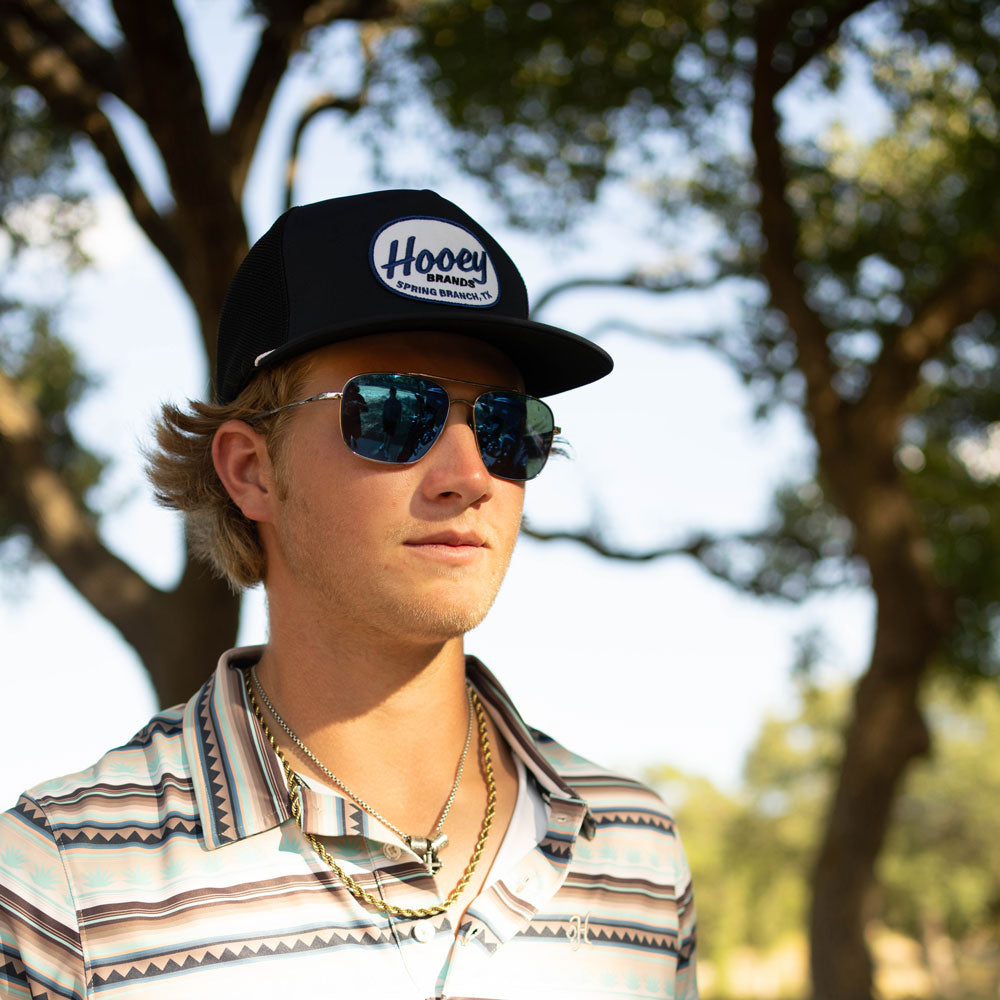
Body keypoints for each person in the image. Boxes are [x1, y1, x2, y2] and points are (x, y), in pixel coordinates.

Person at [0, 189, 697, 999]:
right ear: (251, 469)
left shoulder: (637, 855)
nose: (471, 477)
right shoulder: (59, 888)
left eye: (509, 426)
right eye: (398, 413)